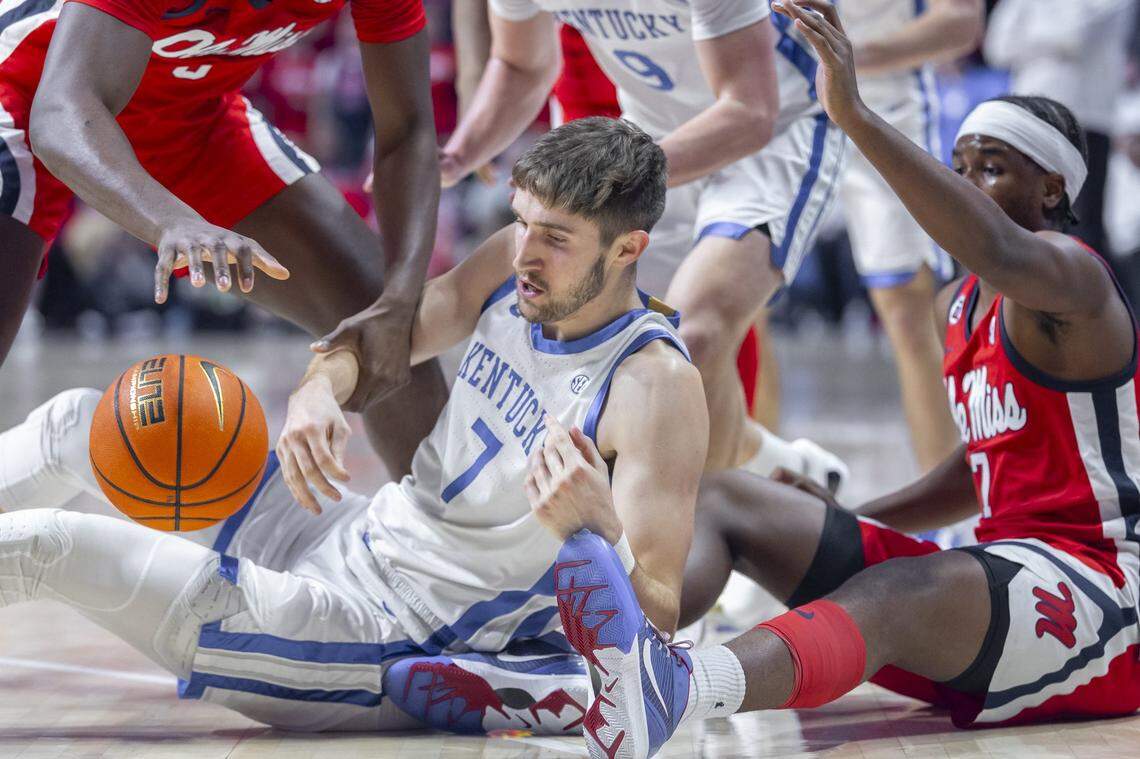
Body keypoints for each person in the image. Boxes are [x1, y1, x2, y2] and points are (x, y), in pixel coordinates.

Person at [546, 4, 1140, 757]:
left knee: (891, 594)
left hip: (1105, 592)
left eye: (990, 168)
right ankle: (590, 668)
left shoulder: (1074, 278)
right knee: (732, 499)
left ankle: (680, 686)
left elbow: (990, 241)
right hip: (1000, 583)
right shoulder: (959, 307)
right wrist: (857, 517)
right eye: (960, 167)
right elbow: (984, 463)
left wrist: (851, 114)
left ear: (1052, 189)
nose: (967, 185)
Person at [0, 118, 706, 736]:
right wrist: (318, 389)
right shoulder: (510, 263)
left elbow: (659, 622)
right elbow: (390, 336)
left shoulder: (654, 387)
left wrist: (600, 531)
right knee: (75, 421)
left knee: (44, 545)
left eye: (554, 237)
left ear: (626, 249)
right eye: (521, 220)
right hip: (346, 532)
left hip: (384, 634)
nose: (525, 250)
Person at [0, 0, 447, 474]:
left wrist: (400, 298)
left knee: (381, 322)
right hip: (29, 92)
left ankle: (439, 535)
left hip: (188, 114)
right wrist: (173, 220)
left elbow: (409, 130)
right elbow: (60, 113)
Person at [439, 0, 849, 487]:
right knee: (602, 335)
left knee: (695, 331)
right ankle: (780, 471)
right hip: (651, 133)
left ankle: (714, 542)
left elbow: (750, 110)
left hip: (775, 131)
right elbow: (521, 65)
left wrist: (608, 180)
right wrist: (455, 155)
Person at [837, 0, 982, 472]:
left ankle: (952, 515)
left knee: (908, 308)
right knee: (740, 301)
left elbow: (961, 22)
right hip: (772, 99)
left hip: (879, 98)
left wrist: (846, 54)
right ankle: (752, 499)